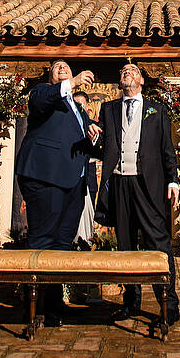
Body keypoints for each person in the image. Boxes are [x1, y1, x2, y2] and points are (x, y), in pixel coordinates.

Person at [14, 60, 100, 325]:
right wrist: (71, 82)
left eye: (66, 66)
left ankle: (53, 305)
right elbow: (46, 99)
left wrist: (93, 136)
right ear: (50, 75)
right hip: (44, 175)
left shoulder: (77, 108)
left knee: (62, 244)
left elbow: (79, 144)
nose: (62, 68)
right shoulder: (41, 93)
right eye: (57, 66)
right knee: (43, 239)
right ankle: (34, 307)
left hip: (73, 182)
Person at [99, 63, 180, 325]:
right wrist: (92, 138)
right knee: (125, 246)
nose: (127, 72)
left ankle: (168, 305)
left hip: (149, 185)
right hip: (120, 182)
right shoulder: (108, 109)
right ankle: (130, 302)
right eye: (123, 70)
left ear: (142, 81)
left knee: (157, 242)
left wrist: (173, 181)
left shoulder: (157, 110)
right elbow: (102, 146)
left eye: (133, 70)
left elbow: (167, 149)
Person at [73, 91, 100, 249]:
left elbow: (99, 151)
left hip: (86, 183)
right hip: (67, 181)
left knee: (85, 228)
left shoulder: (92, 126)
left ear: (88, 106)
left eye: (81, 105)